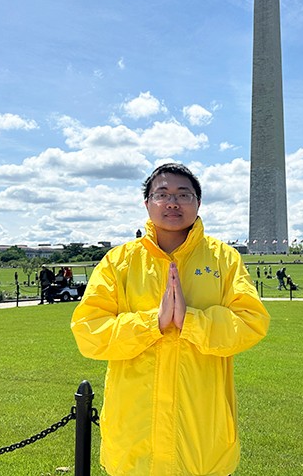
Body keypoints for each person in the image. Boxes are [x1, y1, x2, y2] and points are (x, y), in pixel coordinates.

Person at [70, 163, 270, 476]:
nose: (172, 202)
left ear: (198, 202)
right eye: (162, 194)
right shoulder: (118, 262)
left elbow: (251, 322)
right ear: (147, 203)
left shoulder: (224, 259)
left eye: (183, 194)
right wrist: (154, 323)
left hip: (202, 438)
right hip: (133, 439)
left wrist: (190, 321)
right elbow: (89, 332)